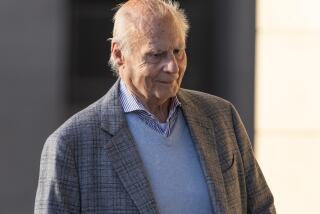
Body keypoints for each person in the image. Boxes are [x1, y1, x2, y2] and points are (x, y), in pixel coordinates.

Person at [34, 0, 275, 213]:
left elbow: (261, 207)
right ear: (119, 54)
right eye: (156, 55)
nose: (172, 66)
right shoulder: (71, 145)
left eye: (178, 51)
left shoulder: (222, 118)